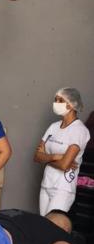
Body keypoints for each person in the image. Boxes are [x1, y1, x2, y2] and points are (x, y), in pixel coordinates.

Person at [34, 87, 90, 216]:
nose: (56, 103)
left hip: (63, 189)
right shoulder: (53, 127)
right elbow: (36, 157)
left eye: (60, 100)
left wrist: (47, 159)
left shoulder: (79, 130)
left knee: (54, 228)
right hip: (46, 184)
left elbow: (65, 165)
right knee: (43, 226)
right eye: (55, 100)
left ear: (71, 104)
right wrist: (56, 156)